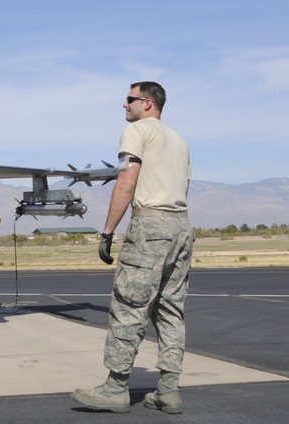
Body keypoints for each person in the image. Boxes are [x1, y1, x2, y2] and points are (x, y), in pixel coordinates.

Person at [72, 81, 193, 414]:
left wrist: (108, 230)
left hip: (150, 225)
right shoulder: (179, 141)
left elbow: (127, 180)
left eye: (130, 99)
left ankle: (116, 387)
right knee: (171, 309)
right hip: (181, 226)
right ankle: (168, 389)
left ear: (148, 103)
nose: (125, 105)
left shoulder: (137, 132)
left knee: (129, 304)